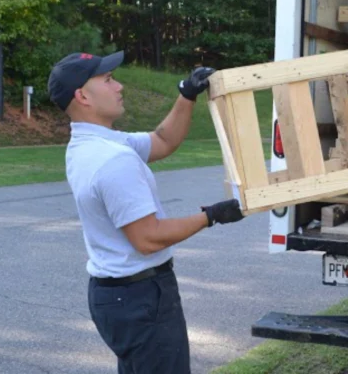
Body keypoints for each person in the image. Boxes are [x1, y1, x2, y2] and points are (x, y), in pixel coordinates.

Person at [47, 50, 244, 373]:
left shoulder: (92, 145)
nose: (119, 86)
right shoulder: (112, 160)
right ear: (82, 96)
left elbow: (163, 140)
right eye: (108, 80)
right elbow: (148, 239)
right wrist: (212, 216)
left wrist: (187, 94)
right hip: (139, 299)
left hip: (121, 297)